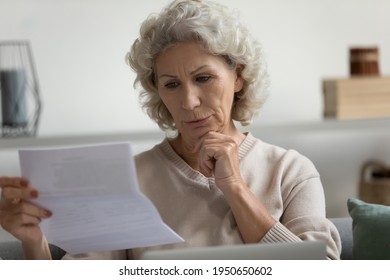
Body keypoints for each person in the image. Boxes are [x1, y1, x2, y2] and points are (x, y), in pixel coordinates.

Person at [0, 0, 341, 260]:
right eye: (172, 84)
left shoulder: (291, 171)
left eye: (203, 78)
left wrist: (234, 187)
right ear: (157, 91)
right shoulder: (129, 178)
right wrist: (34, 242)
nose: (189, 101)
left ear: (238, 76)